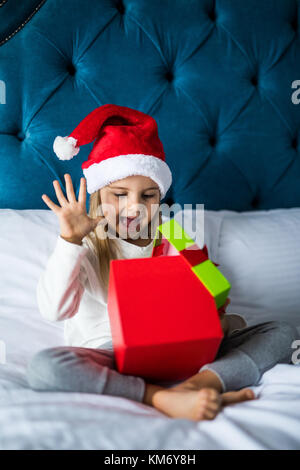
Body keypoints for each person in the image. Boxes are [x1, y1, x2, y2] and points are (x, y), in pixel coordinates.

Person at [26, 104, 299, 422]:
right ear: (100, 194)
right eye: (119, 194)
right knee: (45, 367)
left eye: (148, 196)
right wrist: (69, 242)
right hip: (112, 354)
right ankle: (160, 397)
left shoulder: (178, 238)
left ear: (160, 197)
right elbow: (54, 311)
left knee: (285, 333)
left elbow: (214, 302)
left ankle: (201, 384)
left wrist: (215, 318)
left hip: (181, 351)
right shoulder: (86, 244)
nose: (133, 208)